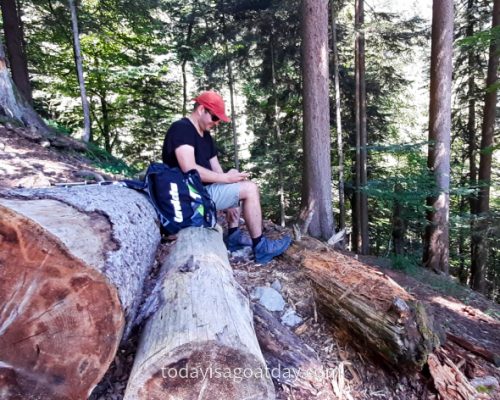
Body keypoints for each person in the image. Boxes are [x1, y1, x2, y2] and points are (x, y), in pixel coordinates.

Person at [162, 90, 291, 264]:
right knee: (250, 189)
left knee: (237, 180)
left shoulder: (205, 136)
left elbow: (217, 170)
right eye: (214, 118)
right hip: (187, 196)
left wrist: (230, 185)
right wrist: (226, 180)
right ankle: (261, 247)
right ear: (201, 109)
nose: (216, 123)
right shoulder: (182, 129)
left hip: (200, 193)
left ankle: (233, 236)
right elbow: (188, 168)